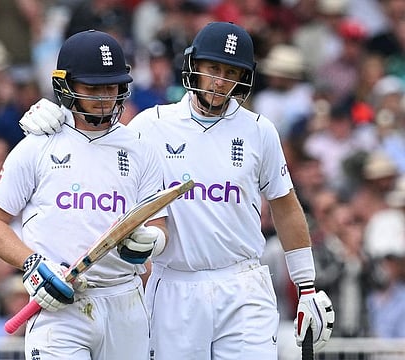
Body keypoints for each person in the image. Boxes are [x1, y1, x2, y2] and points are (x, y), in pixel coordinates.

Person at [18, 22, 335, 359]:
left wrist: (307, 285)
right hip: (174, 286)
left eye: (231, 72)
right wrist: (59, 118)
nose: (220, 81)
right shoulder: (150, 125)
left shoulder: (259, 131)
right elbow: (98, 146)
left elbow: (285, 206)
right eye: (213, 68)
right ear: (194, 66)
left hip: (243, 283)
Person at [0, 30, 168, 360]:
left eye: (111, 86)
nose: (104, 97)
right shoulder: (36, 145)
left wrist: (151, 240)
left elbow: (159, 225)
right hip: (59, 302)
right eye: (92, 88)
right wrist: (33, 266)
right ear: (66, 86)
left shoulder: (141, 150)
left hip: (125, 301)